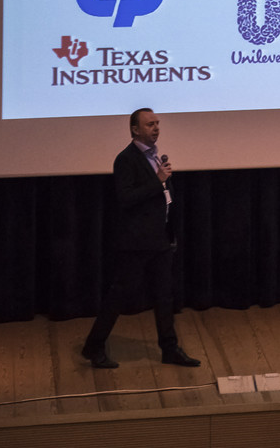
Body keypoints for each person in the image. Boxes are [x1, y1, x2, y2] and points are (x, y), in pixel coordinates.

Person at [80, 108, 201, 369]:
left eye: (157, 123)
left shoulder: (155, 156)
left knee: (164, 296)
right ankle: (93, 346)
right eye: (149, 124)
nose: (156, 128)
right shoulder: (126, 159)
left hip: (160, 237)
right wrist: (158, 181)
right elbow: (125, 198)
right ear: (135, 129)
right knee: (119, 295)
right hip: (136, 241)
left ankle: (169, 349)